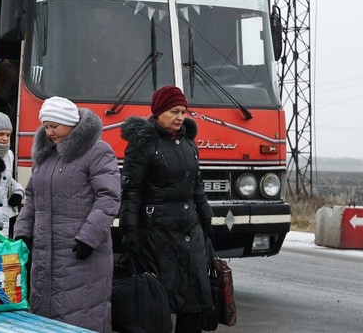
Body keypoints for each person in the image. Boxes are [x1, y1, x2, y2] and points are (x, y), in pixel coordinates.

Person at [13, 96, 121, 332]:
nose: (49, 132)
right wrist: (22, 233)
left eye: (55, 126)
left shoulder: (98, 151)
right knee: (44, 319)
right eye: (46, 126)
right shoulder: (45, 155)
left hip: (81, 253)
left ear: (71, 123)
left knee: (79, 316)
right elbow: (32, 197)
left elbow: (109, 197)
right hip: (45, 253)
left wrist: (89, 237)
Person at [119, 85, 213, 333]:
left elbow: (197, 185)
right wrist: (129, 231)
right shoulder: (143, 144)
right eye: (174, 111)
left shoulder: (188, 143)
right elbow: (131, 191)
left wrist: (206, 222)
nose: (180, 117)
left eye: (183, 111)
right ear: (158, 112)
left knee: (194, 296)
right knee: (159, 299)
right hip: (157, 234)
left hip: (190, 231)